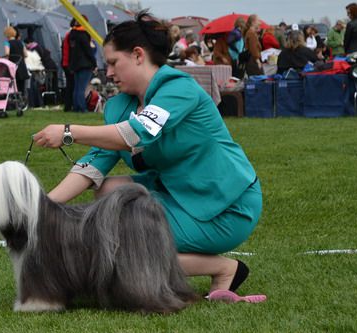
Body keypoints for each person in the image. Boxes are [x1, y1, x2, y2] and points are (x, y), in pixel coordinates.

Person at [33, 11, 263, 298]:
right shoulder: (118, 105)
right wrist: (42, 208)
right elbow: (93, 165)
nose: (110, 73)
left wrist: (69, 132)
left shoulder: (179, 88)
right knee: (107, 190)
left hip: (225, 204)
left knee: (121, 242)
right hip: (177, 192)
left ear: (139, 55)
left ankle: (223, 268)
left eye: (114, 63)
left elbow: (137, 132)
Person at [69, 16, 97, 112]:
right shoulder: (83, 34)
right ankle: (82, 107)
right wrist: (94, 63)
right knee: (81, 87)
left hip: (76, 64)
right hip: (85, 64)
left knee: (77, 87)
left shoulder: (72, 34)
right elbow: (88, 51)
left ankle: (76, 106)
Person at [4, 26, 29, 98]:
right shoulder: (21, 42)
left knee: (14, 86)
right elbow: (26, 54)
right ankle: (23, 102)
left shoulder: (7, 43)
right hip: (21, 66)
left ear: (7, 34)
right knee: (22, 87)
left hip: (13, 67)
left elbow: (7, 54)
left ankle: (15, 102)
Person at [61, 19, 76, 111]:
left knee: (70, 85)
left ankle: (68, 106)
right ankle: (69, 105)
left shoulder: (68, 35)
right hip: (69, 64)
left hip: (66, 63)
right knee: (71, 86)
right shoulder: (71, 35)